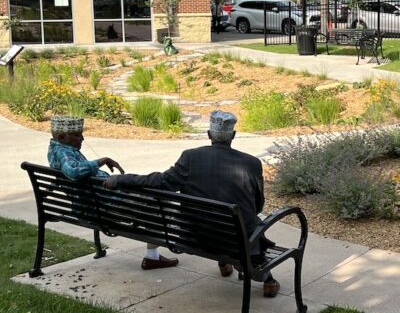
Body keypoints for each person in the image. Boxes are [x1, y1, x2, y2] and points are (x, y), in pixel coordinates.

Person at [104, 111, 280, 298]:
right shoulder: (252, 163)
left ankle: (223, 262)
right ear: (233, 136)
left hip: (194, 237)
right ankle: (267, 279)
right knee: (251, 225)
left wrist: (123, 179)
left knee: (218, 221)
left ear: (209, 134)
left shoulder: (190, 157)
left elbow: (161, 182)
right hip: (236, 242)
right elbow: (258, 206)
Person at [48, 115, 179, 270]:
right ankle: (154, 255)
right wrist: (102, 161)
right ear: (62, 137)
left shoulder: (57, 150)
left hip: (98, 203)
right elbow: (73, 171)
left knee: (151, 195)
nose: (82, 138)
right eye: (77, 135)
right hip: (107, 207)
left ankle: (154, 252)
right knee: (161, 202)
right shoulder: (63, 153)